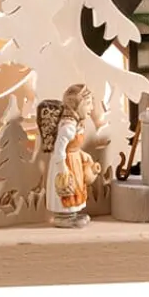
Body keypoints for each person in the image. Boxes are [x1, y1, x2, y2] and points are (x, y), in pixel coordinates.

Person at [44, 83, 100, 228]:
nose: (91, 108)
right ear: (77, 105)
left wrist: (82, 153)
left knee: (75, 189)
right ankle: (63, 217)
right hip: (65, 163)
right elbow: (59, 150)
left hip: (73, 160)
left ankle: (72, 214)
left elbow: (72, 146)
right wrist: (63, 169)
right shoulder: (68, 127)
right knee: (67, 189)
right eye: (88, 104)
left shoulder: (76, 124)